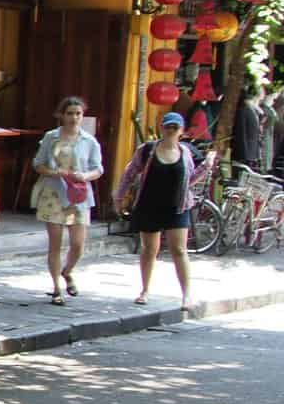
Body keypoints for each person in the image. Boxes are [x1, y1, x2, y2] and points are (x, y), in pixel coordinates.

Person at [115, 111, 195, 311]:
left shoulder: (185, 153)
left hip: (177, 207)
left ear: (181, 131)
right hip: (149, 205)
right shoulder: (148, 150)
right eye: (167, 126)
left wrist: (209, 165)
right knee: (149, 249)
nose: (170, 131)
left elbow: (190, 178)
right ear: (162, 128)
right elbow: (130, 172)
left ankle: (186, 295)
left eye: (175, 128)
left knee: (179, 250)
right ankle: (144, 290)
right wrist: (119, 196)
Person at [29, 95, 103, 306]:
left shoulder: (89, 141)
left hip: (78, 195)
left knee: (78, 244)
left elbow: (98, 168)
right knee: (55, 244)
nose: (74, 117)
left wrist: (84, 176)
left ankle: (67, 271)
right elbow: (37, 164)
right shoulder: (51, 137)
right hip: (54, 193)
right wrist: (54, 172)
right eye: (70, 113)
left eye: (78, 113)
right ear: (62, 115)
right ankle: (56, 288)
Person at [232, 88, 264, 172]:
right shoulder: (244, 110)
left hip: (252, 153)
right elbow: (241, 133)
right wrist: (243, 153)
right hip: (244, 153)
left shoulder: (254, 111)